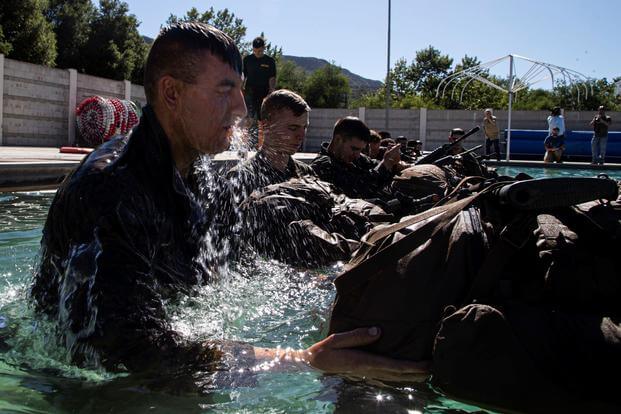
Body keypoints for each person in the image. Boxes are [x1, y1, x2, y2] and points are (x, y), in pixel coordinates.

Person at [30, 22, 426, 382]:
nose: (241, 109)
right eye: (225, 91)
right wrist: (301, 358)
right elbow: (129, 349)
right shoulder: (112, 191)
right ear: (172, 92)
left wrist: (307, 287)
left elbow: (220, 266)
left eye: (240, 90)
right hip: (72, 384)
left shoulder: (194, 168)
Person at [226, 89, 313, 198]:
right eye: (293, 128)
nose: (301, 136)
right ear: (266, 127)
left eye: (304, 127)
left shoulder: (307, 174)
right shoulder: (241, 177)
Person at [310, 117, 402, 201]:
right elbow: (357, 190)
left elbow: (375, 167)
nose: (357, 155)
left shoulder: (356, 159)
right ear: (338, 140)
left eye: (360, 150)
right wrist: (385, 165)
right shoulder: (322, 165)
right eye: (354, 149)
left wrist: (392, 163)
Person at [242, 36, 276, 121]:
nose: (257, 53)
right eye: (255, 51)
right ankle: (248, 133)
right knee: (249, 116)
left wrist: (271, 90)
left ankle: (261, 133)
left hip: (264, 92)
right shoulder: (247, 59)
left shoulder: (270, 61)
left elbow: (272, 77)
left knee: (262, 117)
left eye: (260, 51)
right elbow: (243, 75)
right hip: (249, 91)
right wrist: (240, 87)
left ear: (264, 48)